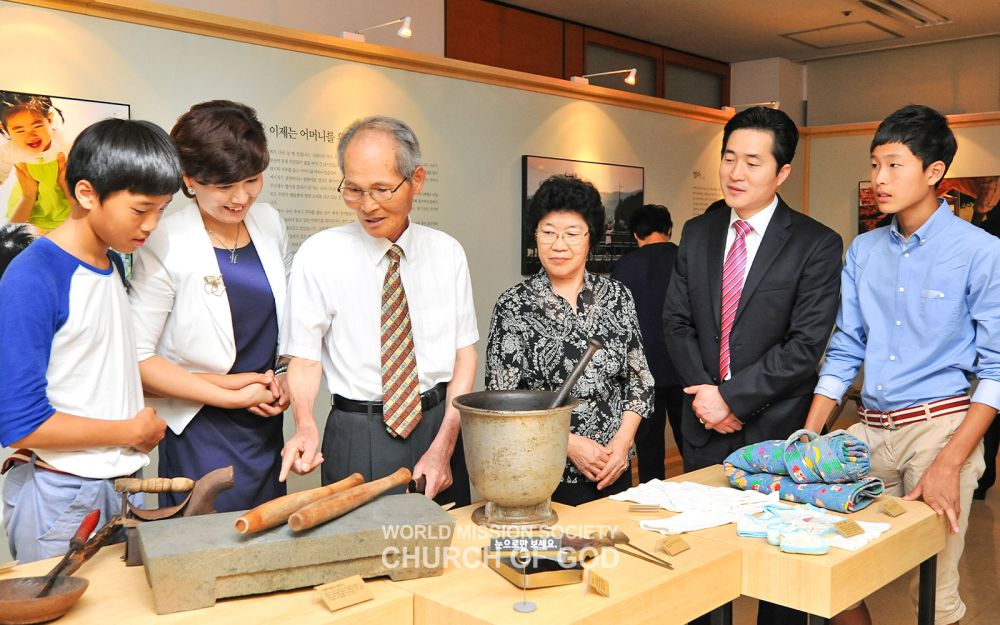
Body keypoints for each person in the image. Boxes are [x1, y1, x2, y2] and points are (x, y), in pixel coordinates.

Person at [804, 104, 999, 625]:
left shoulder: (980, 251)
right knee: (832, 572)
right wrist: (809, 433)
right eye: (874, 165)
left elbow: (997, 372)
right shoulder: (864, 250)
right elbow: (845, 349)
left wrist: (951, 461)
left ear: (934, 172)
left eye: (894, 165)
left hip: (940, 430)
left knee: (934, 593)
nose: (879, 180)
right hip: (869, 430)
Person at [663, 105, 842, 625]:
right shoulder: (698, 231)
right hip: (703, 426)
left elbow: (805, 346)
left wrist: (732, 398)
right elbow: (676, 323)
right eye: (729, 158)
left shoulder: (816, 243)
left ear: (782, 172)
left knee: (782, 579)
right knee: (700, 571)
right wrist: (706, 395)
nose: (736, 173)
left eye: (753, 162)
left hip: (774, 431)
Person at [0, 118, 180, 562]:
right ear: (86, 193)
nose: (152, 223)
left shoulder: (112, 264)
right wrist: (130, 431)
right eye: (141, 210)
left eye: (162, 208)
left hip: (118, 488)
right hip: (63, 495)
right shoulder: (33, 277)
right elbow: (20, 423)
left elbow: (97, 374)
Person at [279, 116, 476, 506]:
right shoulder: (319, 254)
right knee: (358, 557)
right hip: (356, 433)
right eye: (353, 189)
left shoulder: (447, 252)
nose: (367, 205)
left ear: (416, 180)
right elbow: (303, 355)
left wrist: (445, 445)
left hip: (439, 425)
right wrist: (304, 424)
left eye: (382, 189)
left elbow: (464, 355)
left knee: (442, 555)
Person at [128, 100, 289, 512]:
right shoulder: (164, 239)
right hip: (200, 425)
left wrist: (284, 377)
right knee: (204, 547)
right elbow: (139, 359)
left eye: (252, 180)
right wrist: (234, 396)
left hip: (264, 420)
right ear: (189, 179)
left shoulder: (269, 222)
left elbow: (285, 319)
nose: (241, 197)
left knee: (268, 540)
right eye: (223, 186)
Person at [486, 174, 654, 505]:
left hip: (613, 468)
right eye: (548, 232)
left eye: (572, 233)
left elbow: (639, 379)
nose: (559, 244)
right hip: (544, 474)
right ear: (535, 236)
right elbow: (501, 403)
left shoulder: (617, 296)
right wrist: (570, 444)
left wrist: (622, 444)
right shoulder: (513, 306)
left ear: (590, 238)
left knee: (611, 553)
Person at [611, 203, 683, 481]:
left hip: (642, 373)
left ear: (635, 235)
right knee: (691, 443)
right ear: (668, 229)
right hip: (683, 369)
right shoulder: (685, 259)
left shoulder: (625, 266)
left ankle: (653, 500)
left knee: (649, 450)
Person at [0, 92, 72, 232]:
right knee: (23, 238)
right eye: (20, 131)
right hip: (29, 202)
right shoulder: (10, 150)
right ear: (5, 129)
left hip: (60, 199)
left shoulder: (64, 143)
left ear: (50, 120)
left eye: (37, 126)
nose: (31, 136)